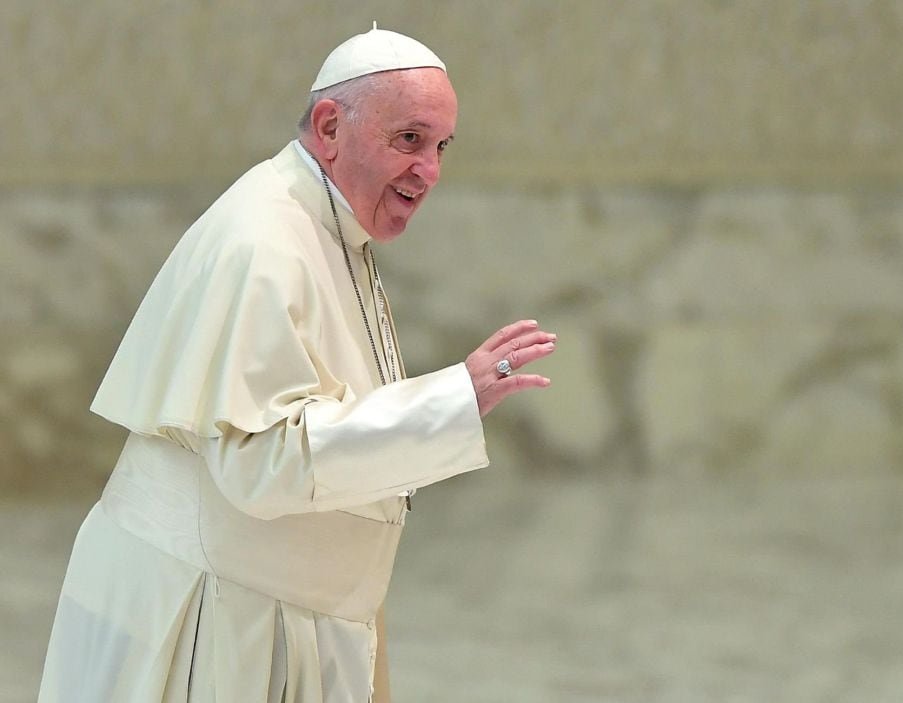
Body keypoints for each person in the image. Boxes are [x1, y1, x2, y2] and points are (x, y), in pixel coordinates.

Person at [38, 25, 556, 703]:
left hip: (283, 607)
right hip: (213, 614)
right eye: (410, 139)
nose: (429, 169)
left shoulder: (328, 222)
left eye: (440, 146)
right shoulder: (264, 244)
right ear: (330, 125)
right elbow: (259, 462)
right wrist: (452, 400)